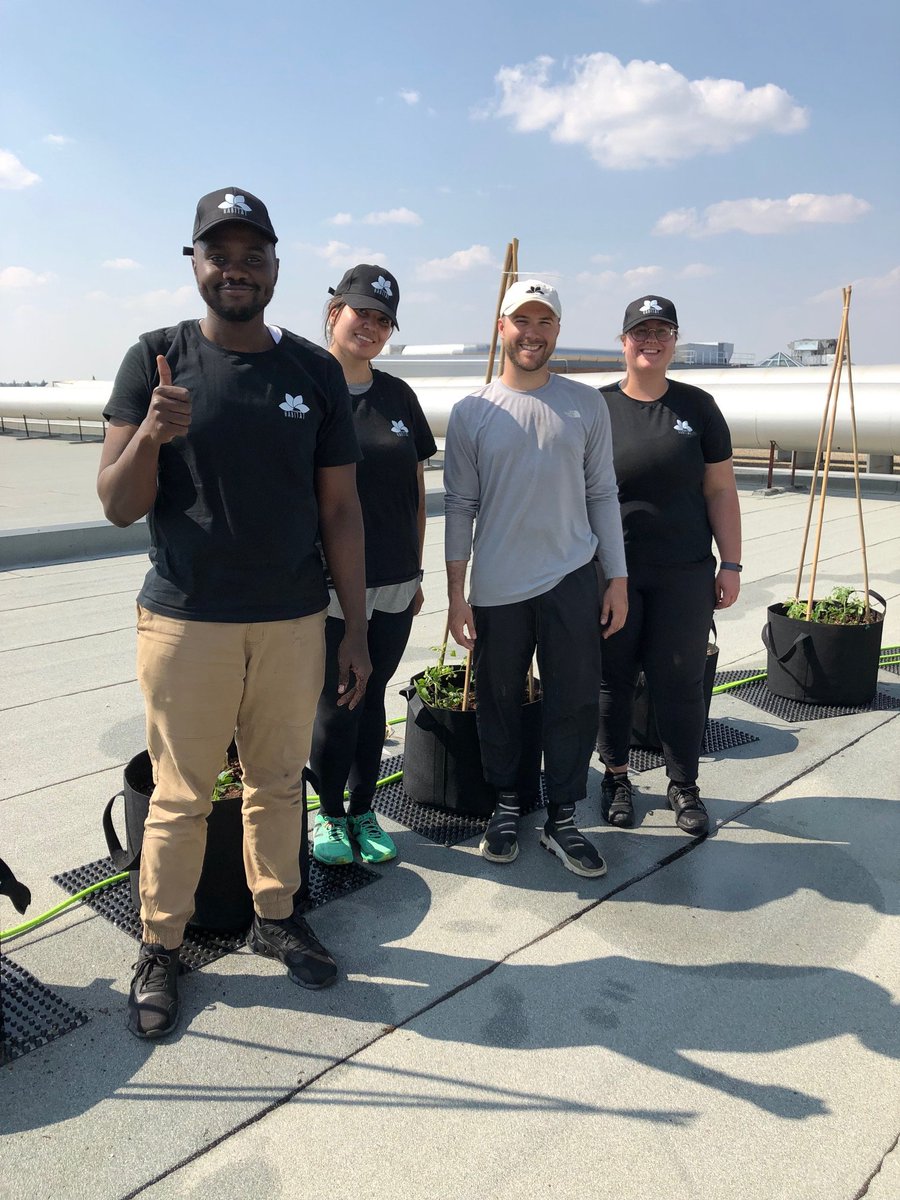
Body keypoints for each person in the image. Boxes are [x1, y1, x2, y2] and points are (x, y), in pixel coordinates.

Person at [97, 187, 371, 1040]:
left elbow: (340, 511)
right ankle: (160, 944)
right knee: (179, 796)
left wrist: (355, 624)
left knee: (279, 782)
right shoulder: (156, 358)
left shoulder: (313, 372)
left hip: (290, 620)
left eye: (254, 255)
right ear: (196, 265)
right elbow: (115, 502)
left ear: (277, 268)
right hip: (186, 621)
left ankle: (277, 913)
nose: (237, 269)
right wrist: (151, 434)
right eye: (221, 254)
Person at [444, 279, 628, 878]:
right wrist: (455, 595)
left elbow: (602, 492)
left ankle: (564, 815)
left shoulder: (585, 404)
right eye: (521, 320)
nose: (532, 332)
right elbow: (460, 506)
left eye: (544, 322)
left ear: (557, 330)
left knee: (574, 699)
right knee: (499, 698)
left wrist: (616, 577)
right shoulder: (473, 412)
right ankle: (506, 804)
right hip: (498, 584)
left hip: (574, 574)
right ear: (503, 328)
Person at [596, 295, 742, 837]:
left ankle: (684, 785)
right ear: (624, 340)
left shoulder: (698, 407)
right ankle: (615, 776)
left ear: (675, 340)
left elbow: (721, 489)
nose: (650, 341)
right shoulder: (598, 408)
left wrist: (731, 563)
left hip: (684, 573)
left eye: (662, 331)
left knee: (679, 681)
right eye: (640, 331)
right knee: (612, 680)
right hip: (615, 573)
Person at [308, 265, 436, 866]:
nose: (373, 327)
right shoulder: (305, 387)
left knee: (375, 691)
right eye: (363, 313)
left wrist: (415, 572)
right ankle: (327, 813)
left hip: (392, 580)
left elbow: (414, 485)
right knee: (337, 699)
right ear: (335, 312)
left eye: (384, 320)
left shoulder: (398, 396)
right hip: (328, 586)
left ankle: (363, 809)